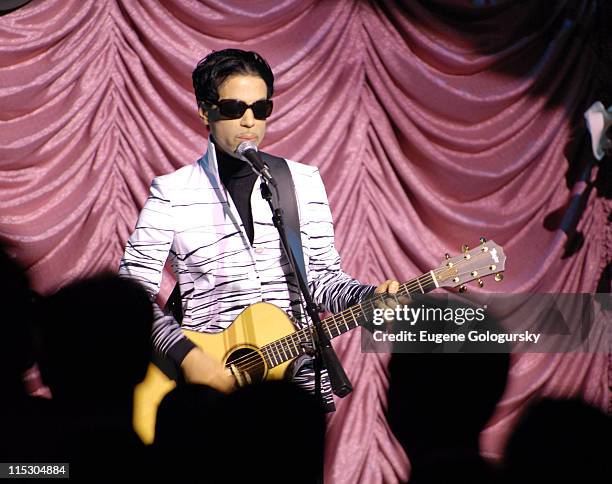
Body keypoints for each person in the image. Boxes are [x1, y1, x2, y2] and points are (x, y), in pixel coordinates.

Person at [119, 48, 403, 406]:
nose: (249, 121)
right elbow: (131, 294)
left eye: (260, 108)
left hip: (296, 386)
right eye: (234, 108)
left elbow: (321, 279)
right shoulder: (173, 192)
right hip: (210, 388)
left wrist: (367, 298)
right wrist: (189, 357)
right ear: (205, 110)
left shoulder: (301, 181)